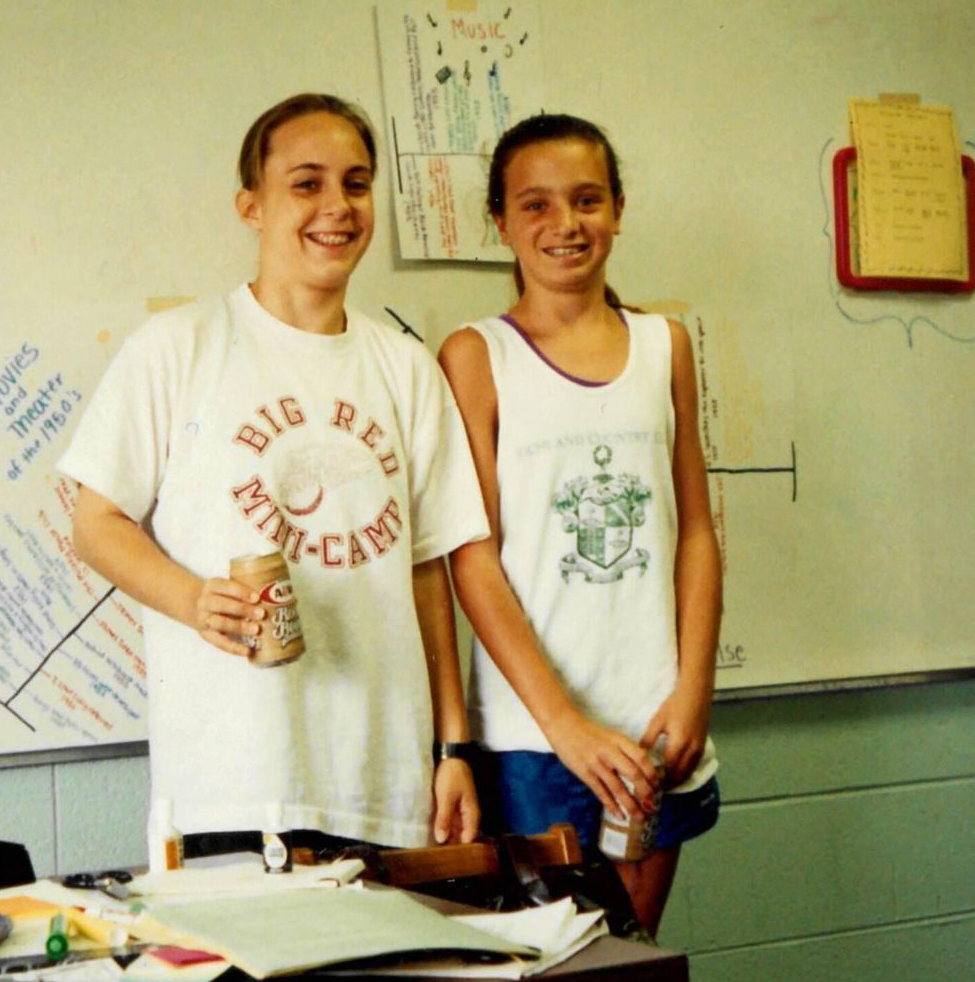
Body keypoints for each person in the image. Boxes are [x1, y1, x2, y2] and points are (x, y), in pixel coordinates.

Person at [60, 93, 489, 855]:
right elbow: (95, 524)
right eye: (306, 183)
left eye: (356, 184)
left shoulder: (406, 367)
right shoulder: (179, 345)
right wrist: (192, 599)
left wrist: (452, 747)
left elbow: (428, 570)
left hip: (385, 788)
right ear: (251, 205)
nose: (337, 206)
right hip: (230, 782)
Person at [436, 113, 722, 935]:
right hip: (536, 735)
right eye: (536, 204)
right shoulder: (476, 354)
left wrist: (693, 689)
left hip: (655, 725)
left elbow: (696, 532)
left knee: (634, 963)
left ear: (619, 209)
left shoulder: (665, 344)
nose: (565, 223)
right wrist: (564, 726)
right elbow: (473, 560)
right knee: (555, 971)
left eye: (587, 199)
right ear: (501, 222)